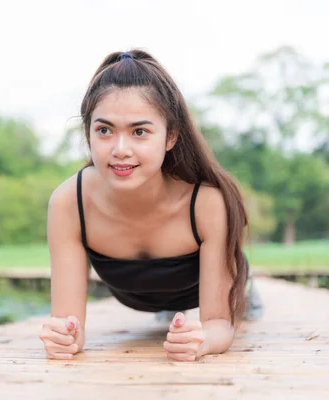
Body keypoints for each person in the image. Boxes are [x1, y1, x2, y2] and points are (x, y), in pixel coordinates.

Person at [39, 49, 263, 362]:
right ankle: (171, 312)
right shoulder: (69, 202)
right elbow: (68, 322)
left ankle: (245, 293)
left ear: (171, 136)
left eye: (139, 132)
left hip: (203, 286)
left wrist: (203, 339)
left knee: (239, 310)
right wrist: (64, 336)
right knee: (171, 317)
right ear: (88, 133)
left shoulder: (206, 202)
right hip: (134, 296)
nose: (120, 150)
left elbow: (217, 325)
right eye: (104, 130)